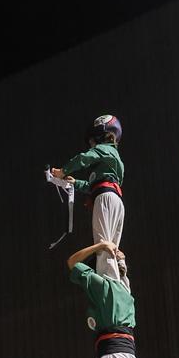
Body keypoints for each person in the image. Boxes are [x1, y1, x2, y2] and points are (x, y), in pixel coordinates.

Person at [51, 114, 125, 279]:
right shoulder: (115, 159)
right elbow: (95, 186)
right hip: (116, 201)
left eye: (93, 140)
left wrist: (62, 171)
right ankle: (120, 282)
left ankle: (109, 286)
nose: (92, 145)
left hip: (105, 199)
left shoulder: (105, 149)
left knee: (103, 244)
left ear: (103, 134)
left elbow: (84, 158)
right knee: (112, 247)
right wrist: (76, 182)